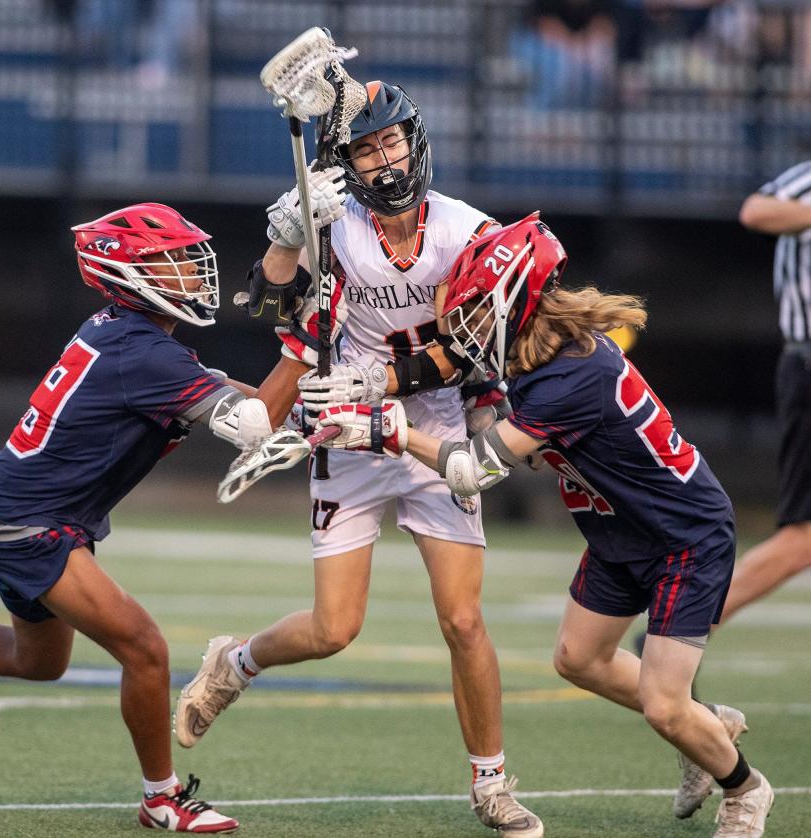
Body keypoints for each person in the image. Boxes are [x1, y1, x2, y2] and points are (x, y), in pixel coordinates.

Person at [0, 202, 336, 834]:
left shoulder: (126, 335)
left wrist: (299, 404)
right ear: (127, 274)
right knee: (146, 648)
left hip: (10, 509)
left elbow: (218, 387)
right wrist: (302, 345)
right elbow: (250, 427)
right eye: (173, 263)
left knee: (39, 663)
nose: (193, 275)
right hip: (29, 522)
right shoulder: (142, 352)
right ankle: (160, 798)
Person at [313, 215, 775, 838]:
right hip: (621, 530)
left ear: (512, 303)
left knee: (665, 706)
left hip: (681, 538)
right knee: (579, 659)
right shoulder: (541, 353)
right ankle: (709, 724)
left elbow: (473, 470)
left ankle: (745, 788)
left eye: (475, 309)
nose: (463, 323)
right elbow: (521, 444)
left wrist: (386, 430)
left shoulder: (569, 376)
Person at [175, 80, 544, 837]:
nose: (383, 160)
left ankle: (492, 783)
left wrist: (388, 380)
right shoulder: (334, 223)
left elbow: (475, 345)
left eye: (391, 142)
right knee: (333, 627)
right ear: (346, 161)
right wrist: (284, 243)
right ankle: (234, 663)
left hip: (430, 427)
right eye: (365, 149)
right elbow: (272, 311)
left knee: (464, 620)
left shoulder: (467, 232)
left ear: (415, 140)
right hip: (346, 427)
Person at [726, 163, 811, 622]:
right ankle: (688, 626)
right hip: (808, 362)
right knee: (804, 537)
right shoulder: (806, 180)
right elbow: (756, 210)